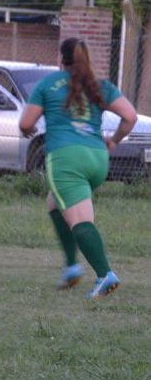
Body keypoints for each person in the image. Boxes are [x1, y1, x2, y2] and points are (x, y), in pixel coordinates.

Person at [19, 37, 137, 300]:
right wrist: (114, 141)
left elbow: (26, 122)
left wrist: (29, 130)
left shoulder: (48, 84)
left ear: (61, 59)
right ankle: (72, 267)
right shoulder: (100, 85)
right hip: (97, 158)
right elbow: (130, 117)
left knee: (79, 220)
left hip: (66, 158)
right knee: (55, 203)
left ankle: (105, 274)